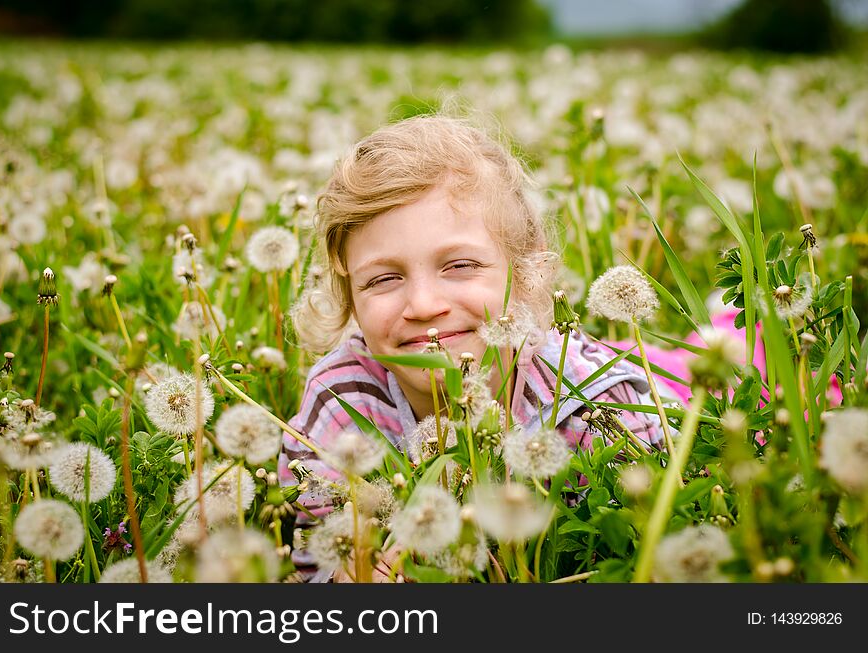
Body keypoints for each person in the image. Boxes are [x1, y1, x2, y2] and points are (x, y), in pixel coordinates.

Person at [278, 113, 671, 581]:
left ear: (525, 269)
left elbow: (648, 547)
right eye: (384, 278)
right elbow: (310, 554)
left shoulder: (594, 407)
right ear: (350, 297)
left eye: (460, 265)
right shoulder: (342, 401)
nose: (423, 305)